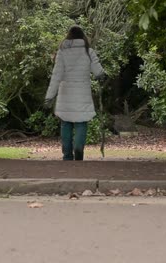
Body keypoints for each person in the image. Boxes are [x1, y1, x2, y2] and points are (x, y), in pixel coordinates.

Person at [44, 25, 105, 161]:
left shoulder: (62, 53)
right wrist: (101, 76)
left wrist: (49, 97)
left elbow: (56, 76)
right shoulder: (89, 52)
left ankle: (67, 156)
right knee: (81, 123)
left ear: (69, 36)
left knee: (65, 123)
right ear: (82, 37)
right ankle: (78, 150)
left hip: (65, 95)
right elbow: (99, 72)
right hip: (83, 95)